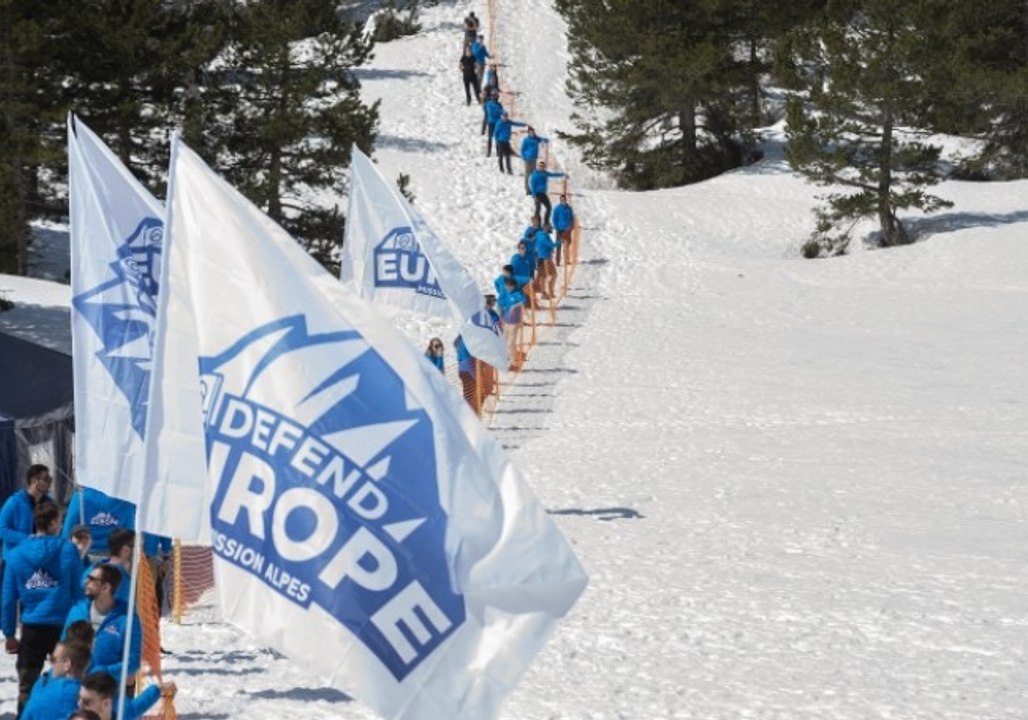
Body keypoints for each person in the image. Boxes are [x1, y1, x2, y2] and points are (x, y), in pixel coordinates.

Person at [2, 501, 83, 716]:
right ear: (55, 522)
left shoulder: (17, 554)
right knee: (67, 683)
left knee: (27, 688)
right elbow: (79, 592)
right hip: (63, 628)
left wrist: (9, 633)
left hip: (32, 629)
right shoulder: (68, 550)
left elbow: (8, 598)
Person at [63, 563, 141, 686]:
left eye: (92, 579)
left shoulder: (127, 619)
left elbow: (133, 661)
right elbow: (63, 646)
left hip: (108, 691)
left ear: (106, 588)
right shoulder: (77, 611)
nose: (86, 582)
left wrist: (102, 672)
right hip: (74, 686)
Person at [21, 640, 92, 720]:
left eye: (53, 659)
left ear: (67, 664)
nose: (51, 664)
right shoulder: (94, 698)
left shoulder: (42, 694)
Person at [1, 464, 53, 560]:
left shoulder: (49, 503)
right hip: (16, 559)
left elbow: (55, 527)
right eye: (46, 479)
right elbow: (2, 530)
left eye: (50, 479)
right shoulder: (14, 502)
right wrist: (26, 538)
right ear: (34, 481)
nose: (49, 483)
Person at [77, 671, 173, 720]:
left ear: (105, 703)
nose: (78, 704)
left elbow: (142, 702)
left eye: (86, 702)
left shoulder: (124, 713)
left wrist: (159, 688)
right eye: (79, 698)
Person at [498, 278, 527, 371]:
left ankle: (514, 363)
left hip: (514, 322)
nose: (507, 288)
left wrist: (515, 306)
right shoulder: (505, 293)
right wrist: (500, 316)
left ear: (513, 286)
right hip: (505, 321)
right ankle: (507, 357)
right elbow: (500, 304)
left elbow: (523, 301)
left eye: (509, 286)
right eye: (506, 286)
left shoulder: (517, 293)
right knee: (504, 341)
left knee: (511, 343)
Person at [528, 161, 565, 227]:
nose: (541, 167)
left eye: (543, 166)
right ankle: (536, 223)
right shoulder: (535, 175)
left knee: (549, 207)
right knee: (538, 209)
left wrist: (563, 174)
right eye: (540, 166)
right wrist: (534, 196)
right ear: (538, 166)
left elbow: (553, 175)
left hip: (543, 194)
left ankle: (546, 222)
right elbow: (532, 186)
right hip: (537, 194)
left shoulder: (545, 173)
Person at [518, 126, 549, 195]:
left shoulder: (536, 139)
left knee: (533, 175)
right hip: (528, 159)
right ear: (528, 133)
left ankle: (533, 189)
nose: (532, 133)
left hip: (534, 159)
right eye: (531, 132)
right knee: (527, 175)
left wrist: (546, 140)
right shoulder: (526, 140)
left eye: (533, 132)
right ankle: (527, 190)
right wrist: (524, 157)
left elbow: (542, 139)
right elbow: (522, 149)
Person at [453, 335, 480, 414]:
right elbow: (467, 362)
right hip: (468, 372)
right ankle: (471, 415)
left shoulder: (462, 340)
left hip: (463, 370)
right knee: (470, 395)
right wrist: (476, 377)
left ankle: (470, 413)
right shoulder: (464, 343)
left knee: (468, 395)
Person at [534, 224, 558, 299]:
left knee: (543, 276)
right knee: (551, 275)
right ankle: (547, 293)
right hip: (546, 259)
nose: (551, 230)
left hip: (541, 258)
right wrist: (560, 242)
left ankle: (546, 292)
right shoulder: (544, 236)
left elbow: (535, 242)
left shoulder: (538, 234)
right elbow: (552, 245)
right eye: (550, 228)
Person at [552, 194, 576, 266]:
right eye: (562, 200)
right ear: (560, 200)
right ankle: (557, 261)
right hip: (559, 230)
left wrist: (571, 226)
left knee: (567, 246)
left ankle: (566, 260)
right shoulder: (557, 208)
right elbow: (554, 219)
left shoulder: (569, 208)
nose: (563, 201)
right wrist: (556, 227)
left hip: (567, 230)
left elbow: (572, 218)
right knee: (558, 246)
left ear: (566, 200)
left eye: (564, 199)